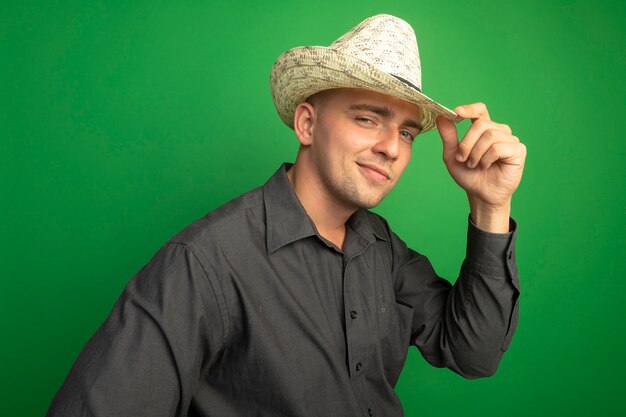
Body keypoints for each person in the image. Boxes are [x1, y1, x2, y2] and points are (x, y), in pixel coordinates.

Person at [46, 14, 526, 417]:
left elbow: (474, 353)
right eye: (366, 118)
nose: (390, 148)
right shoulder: (205, 263)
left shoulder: (382, 248)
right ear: (307, 123)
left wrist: (490, 204)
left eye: (405, 133)